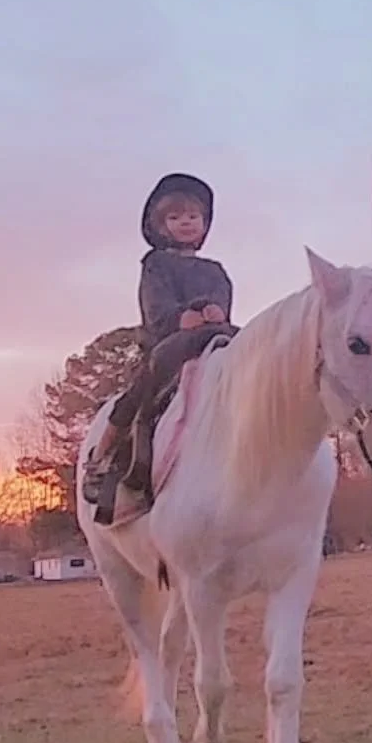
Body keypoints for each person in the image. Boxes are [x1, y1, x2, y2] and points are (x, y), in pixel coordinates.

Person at [84, 173, 237, 524]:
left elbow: (222, 303)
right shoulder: (155, 265)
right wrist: (182, 317)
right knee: (142, 389)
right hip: (169, 341)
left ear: (204, 224)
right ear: (161, 225)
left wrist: (215, 313)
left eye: (193, 217)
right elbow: (156, 309)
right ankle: (103, 456)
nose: (186, 222)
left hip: (212, 338)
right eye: (176, 217)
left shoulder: (216, 270)